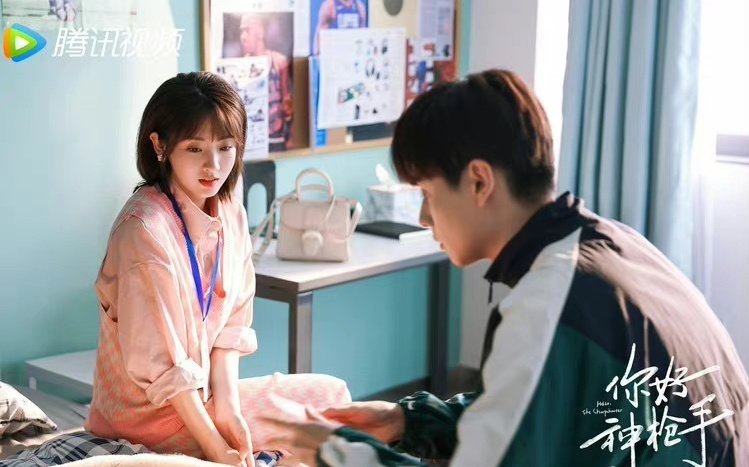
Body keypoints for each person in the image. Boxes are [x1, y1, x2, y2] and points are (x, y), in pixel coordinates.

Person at [260, 69, 749, 466]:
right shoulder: (611, 246)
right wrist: (409, 422)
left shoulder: (548, 304)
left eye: (427, 193)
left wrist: (339, 454)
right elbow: (545, 412)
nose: (425, 217)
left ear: (478, 181)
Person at [84, 72, 351, 467]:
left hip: (204, 401)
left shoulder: (229, 212)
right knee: (324, 422)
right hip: (145, 418)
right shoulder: (143, 231)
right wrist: (215, 447)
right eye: (195, 148)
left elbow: (231, 326)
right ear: (159, 145)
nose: (213, 165)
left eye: (225, 147)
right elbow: (165, 368)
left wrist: (229, 410)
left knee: (332, 398)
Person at [239, 14, 292, 152]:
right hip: (251, 142)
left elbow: (287, 101)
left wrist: (290, 137)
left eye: (247, 30)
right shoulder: (240, 66)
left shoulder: (279, 61)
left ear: (260, 32)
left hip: (276, 138)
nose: (243, 37)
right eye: (241, 31)